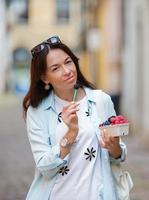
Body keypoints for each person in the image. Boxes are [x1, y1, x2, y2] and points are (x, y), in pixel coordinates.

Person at [23, 36, 127, 200]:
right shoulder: (38, 112)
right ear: (44, 77)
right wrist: (70, 134)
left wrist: (114, 147)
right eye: (56, 68)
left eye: (68, 62)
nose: (67, 71)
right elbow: (45, 167)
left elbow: (119, 155)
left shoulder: (100, 100)